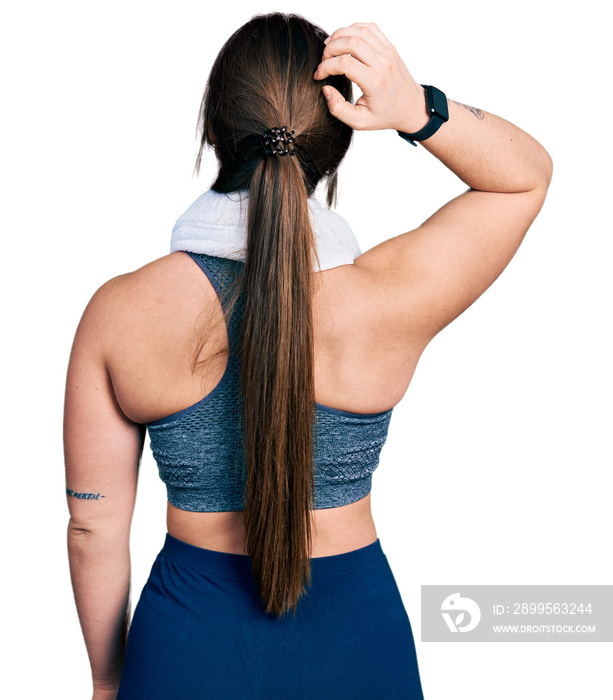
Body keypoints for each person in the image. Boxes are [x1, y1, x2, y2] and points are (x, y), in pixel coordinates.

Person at [64, 13, 552, 700]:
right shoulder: (387, 298)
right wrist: (416, 110)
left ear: (214, 132)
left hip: (185, 646)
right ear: (339, 140)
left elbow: (93, 525)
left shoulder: (120, 312)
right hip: (356, 641)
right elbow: (524, 178)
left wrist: (108, 676)